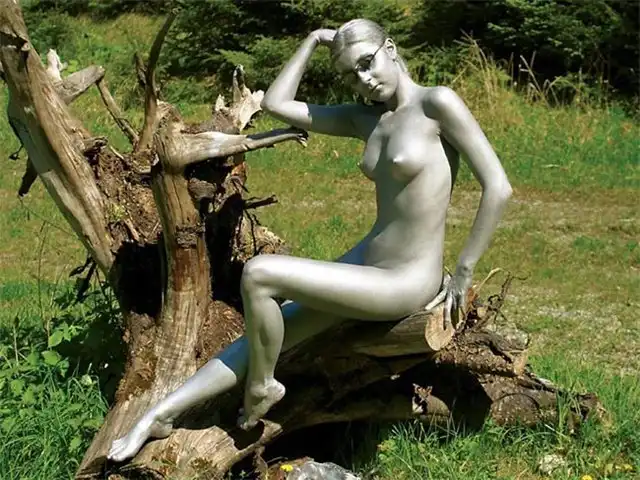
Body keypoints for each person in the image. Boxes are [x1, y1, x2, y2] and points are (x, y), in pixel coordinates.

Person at [108, 18, 512, 462]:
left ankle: (262, 386)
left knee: (259, 275)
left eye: (367, 63)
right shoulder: (366, 118)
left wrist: (464, 270)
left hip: (407, 279)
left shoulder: (437, 103)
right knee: (263, 336)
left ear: (391, 49)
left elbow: (498, 186)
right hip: (365, 261)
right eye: (350, 75)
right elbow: (277, 103)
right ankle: (159, 415)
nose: (363, 79)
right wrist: (314, 39)